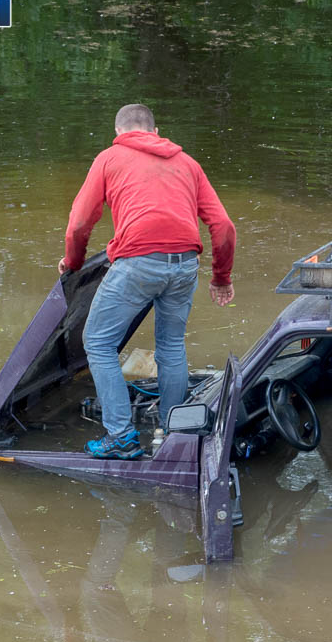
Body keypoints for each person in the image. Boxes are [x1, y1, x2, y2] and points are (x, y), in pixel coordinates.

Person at [59, 104, 236, 459]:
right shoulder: (187, 163)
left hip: (137, 263)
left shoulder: (110, 158)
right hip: (185, 264)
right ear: (155, 132)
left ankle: (120, 436)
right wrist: (221, 277)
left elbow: (80, 222)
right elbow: (224, 227)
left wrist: (72, 264)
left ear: (120, 133)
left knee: (97, 342)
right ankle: (176, 434)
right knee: (171, 346)